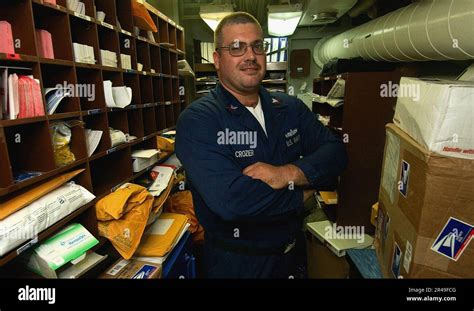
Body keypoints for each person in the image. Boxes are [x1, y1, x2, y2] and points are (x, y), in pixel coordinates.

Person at [176, 12, 347, 278]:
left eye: (258, 46)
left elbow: (336, 152)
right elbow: (231, 201)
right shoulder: (199, 120)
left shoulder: (289, 108)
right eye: (236, 47)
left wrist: (287, 174)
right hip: (238, 266)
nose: (250, 56)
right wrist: (303, 193)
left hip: (294, 257)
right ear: (217, 60)